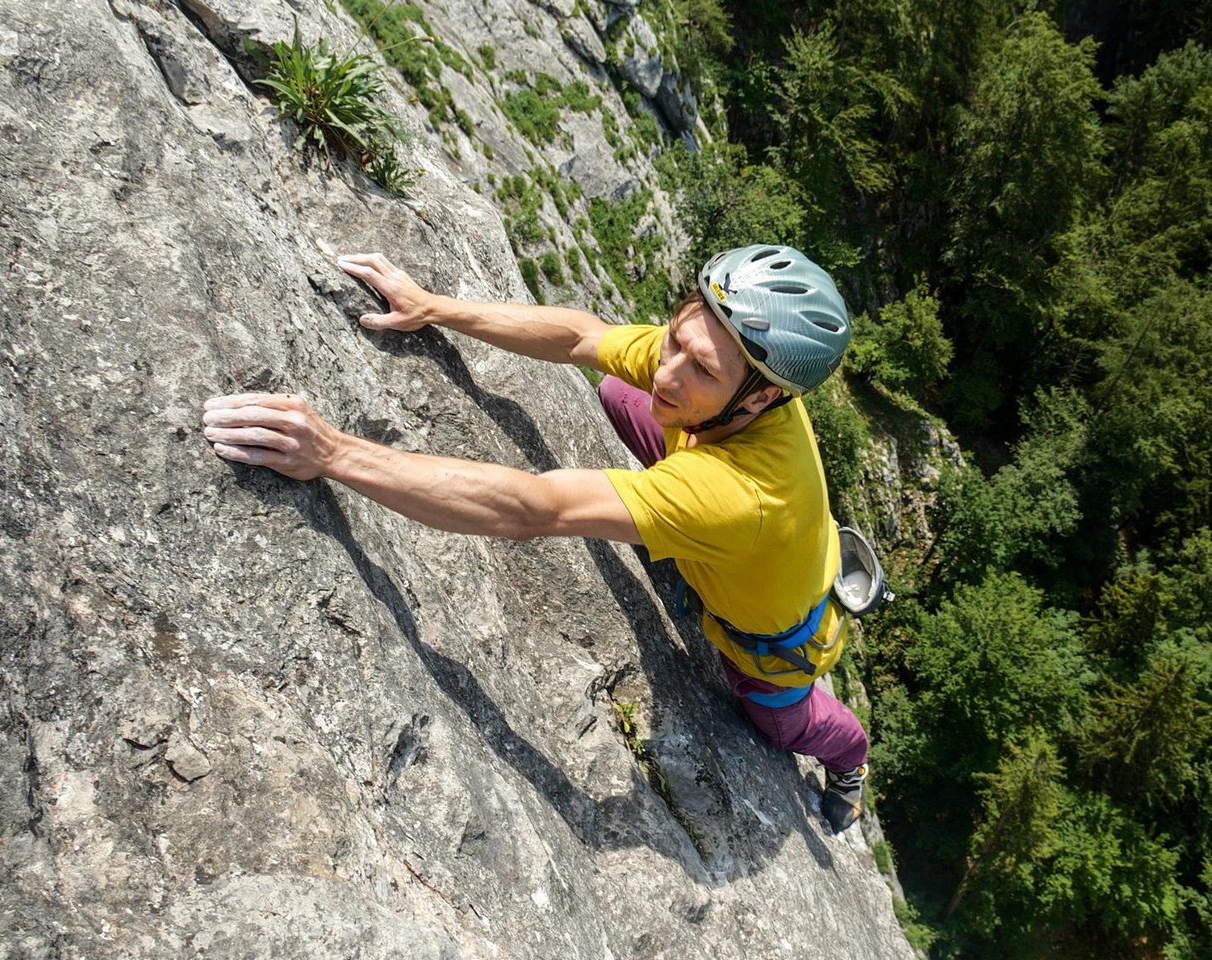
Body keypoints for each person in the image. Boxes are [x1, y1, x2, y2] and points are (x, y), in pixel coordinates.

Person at [202, 245, 870, 832]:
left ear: (758, 400)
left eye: (700, 370)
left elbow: (536, 508)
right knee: (619, 391)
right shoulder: (729, 373)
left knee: (784, 725)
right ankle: (673, 517)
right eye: (674, 340)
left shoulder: (740, 496)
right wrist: (434, 307)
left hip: (770, 644)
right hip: (738, 525)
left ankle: (852, 765)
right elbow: (582, 336)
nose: (668, 373)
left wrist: (333, 454)